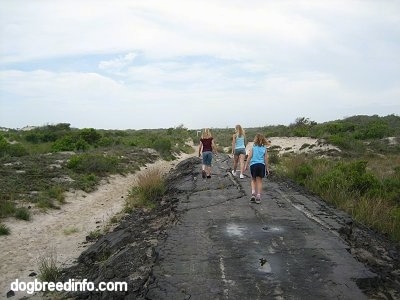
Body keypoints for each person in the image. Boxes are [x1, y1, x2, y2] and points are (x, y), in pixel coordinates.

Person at [244, 133, 270, 204]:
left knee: (253, 179)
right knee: (259, 181)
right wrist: (267, 168)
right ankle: (258, 196)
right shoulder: (264, 148)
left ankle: (253, 194)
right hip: (261, 165)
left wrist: (246, 165)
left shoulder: (253, 147)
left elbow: (249, 157)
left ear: (255, 139)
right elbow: (266, 159)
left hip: (253, 165)